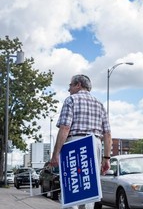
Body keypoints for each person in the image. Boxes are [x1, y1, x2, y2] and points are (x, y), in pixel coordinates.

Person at [50, 74, 112, 209]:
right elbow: (107, 134)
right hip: (94, 143)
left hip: (74, 142)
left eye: (70, 85)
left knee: (73, 186)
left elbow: (65, 128)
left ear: (78, 85)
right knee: (89, 188)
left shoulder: (71, 100)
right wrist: (106, 158)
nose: (69, 89)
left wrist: (55, 154)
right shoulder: (99, 103)